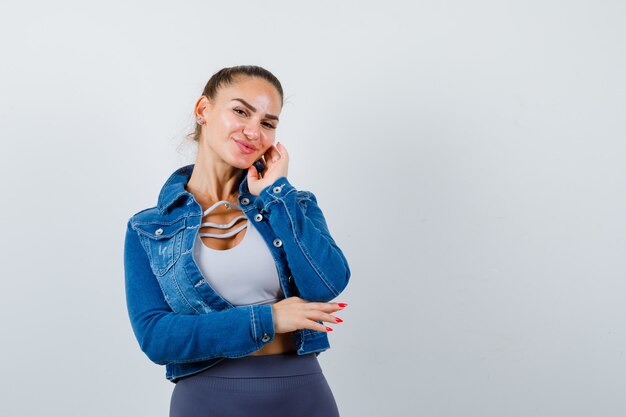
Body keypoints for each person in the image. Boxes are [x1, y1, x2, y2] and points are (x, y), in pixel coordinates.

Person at [123, 65, 351, 417]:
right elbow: (156, 337)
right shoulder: (149, 228)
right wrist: (268, 319)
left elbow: (326, 285)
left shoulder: (290, 204)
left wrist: (277, 193)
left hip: (302, 393)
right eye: (241, 111)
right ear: (204, 111)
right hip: (206, 399)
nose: (253, 131)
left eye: (267, 123)